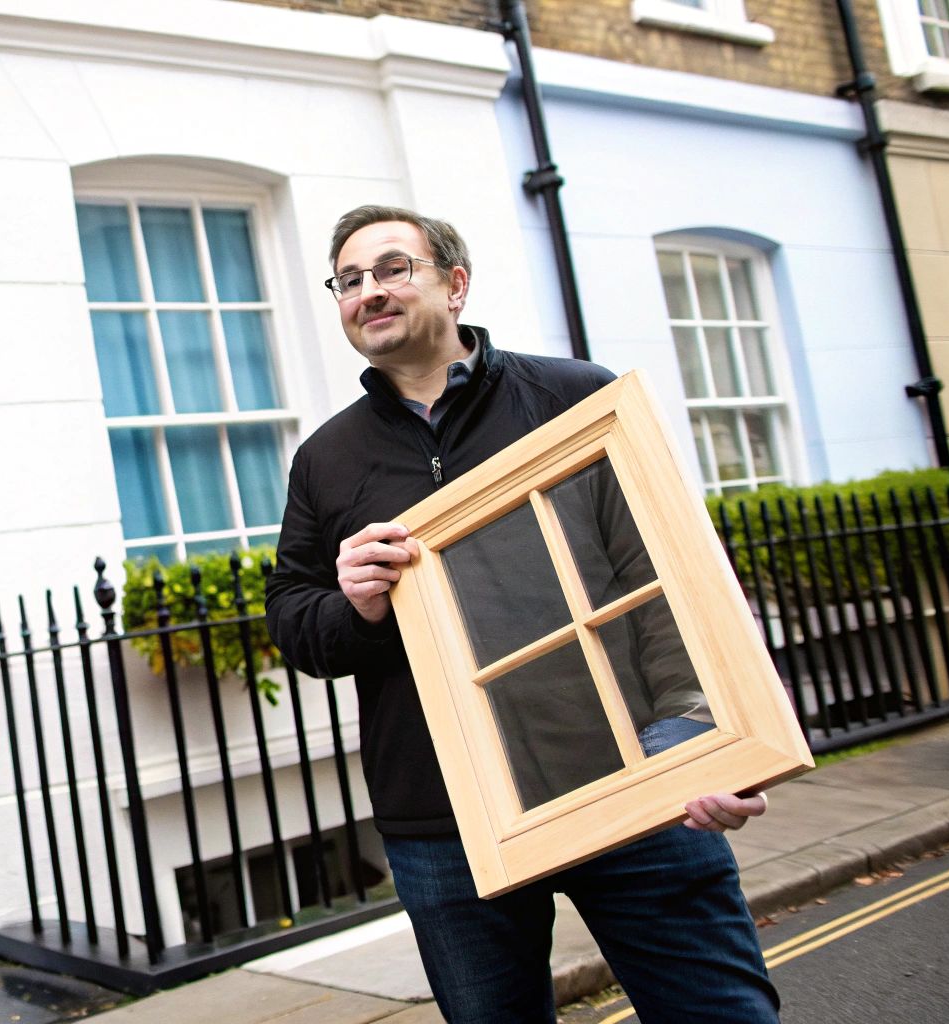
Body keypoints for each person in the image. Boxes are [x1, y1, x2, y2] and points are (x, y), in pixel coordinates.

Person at [264, 205, 776, 1023]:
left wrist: (702, 746)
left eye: (393, 268)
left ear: (455, 284)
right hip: (446, 822)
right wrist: (354, 605)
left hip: (632, 780)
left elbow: (668, 586)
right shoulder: (326, 458)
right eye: (350, 280)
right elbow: (293, 620)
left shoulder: (575, 398)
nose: (369, 292)